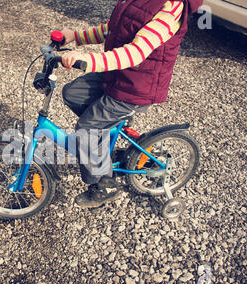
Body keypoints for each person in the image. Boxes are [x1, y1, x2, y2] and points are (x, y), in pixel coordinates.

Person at [59, 0, 203, 208]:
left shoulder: (171, 7)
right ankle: (105, 140)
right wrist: (75, 36)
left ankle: (105, 184)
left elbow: (136, 53)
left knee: (88, 127)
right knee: (73, 93)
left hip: (136, 87)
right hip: (118, 75)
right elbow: (112, 29)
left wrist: (89, 60)